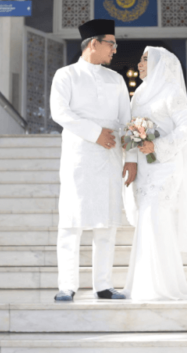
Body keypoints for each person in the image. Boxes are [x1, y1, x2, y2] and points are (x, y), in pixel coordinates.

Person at [49, 19, 137, 302]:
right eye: (111, 43)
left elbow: (126, 121)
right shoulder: (66, 75)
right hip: (80, 153)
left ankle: (103, 285)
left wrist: (131, 157)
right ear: (93, 43)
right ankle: (67, 285)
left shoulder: (116, 79)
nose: (115, 49)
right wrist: (95, 133)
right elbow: (59, 112)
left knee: (106, 222)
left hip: (110, 155)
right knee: (72, 222)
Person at [122, 46, 187, 300]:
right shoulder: (138, 95)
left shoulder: (172, 92)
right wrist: (133, 158)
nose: (139, 64)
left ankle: (157, 286)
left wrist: (156, 146)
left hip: (166, 166)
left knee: (154, 216)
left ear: (161, 64)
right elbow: (130, 130)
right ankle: (147, 282)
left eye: (145, 60)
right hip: (144, 169)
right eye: (140, 59)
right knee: (148, 220)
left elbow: (186, 128)